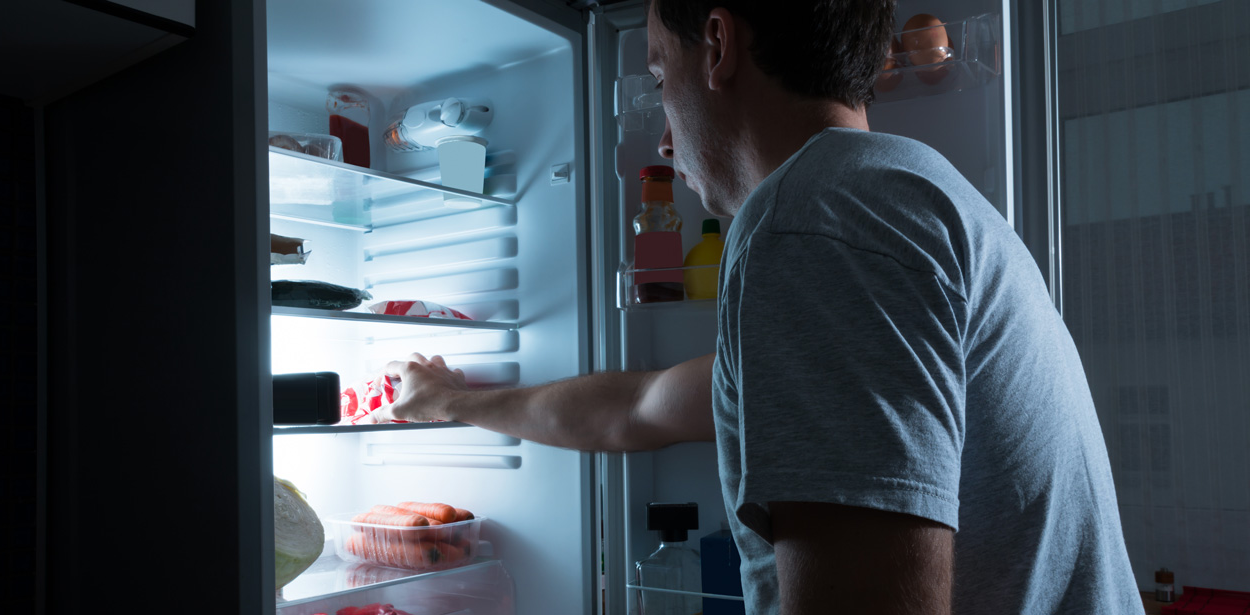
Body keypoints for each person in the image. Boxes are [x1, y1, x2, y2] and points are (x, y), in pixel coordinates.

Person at [373, 1, 1144, 613]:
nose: (664, 137)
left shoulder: (816, 219)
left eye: (658, 75)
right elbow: (637, 408)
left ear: (717, 46)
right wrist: (451, 400)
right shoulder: (898, 191)